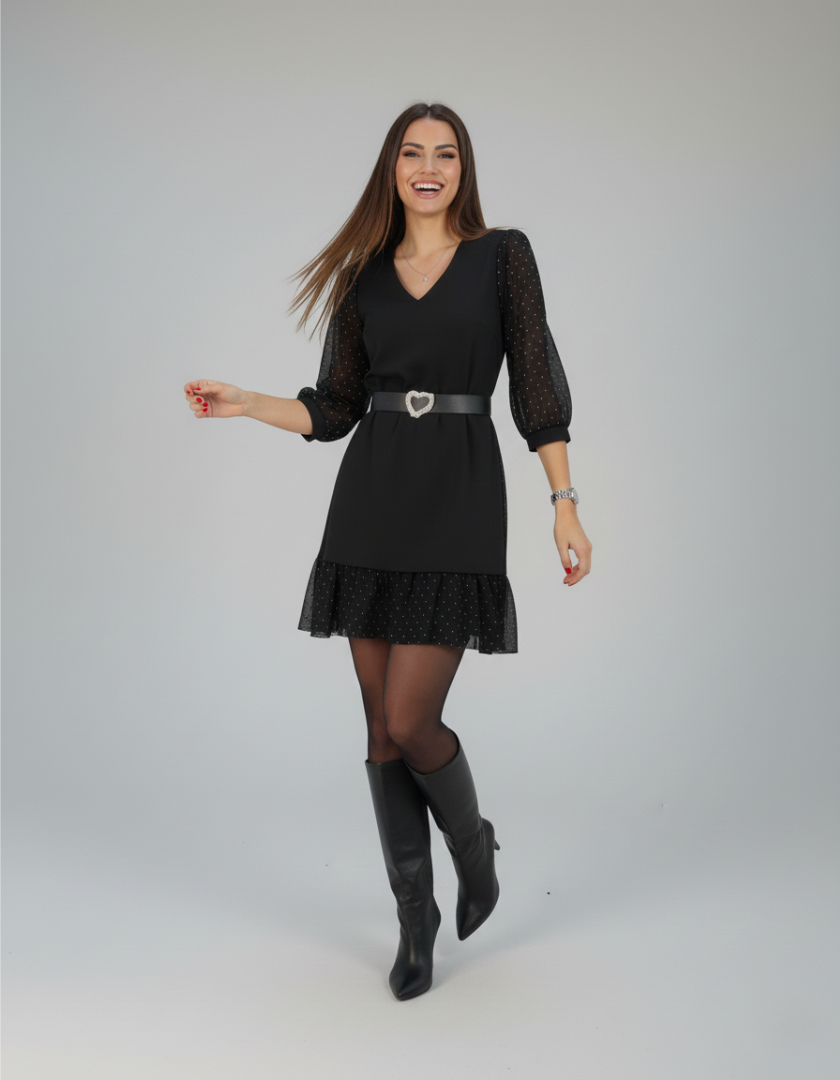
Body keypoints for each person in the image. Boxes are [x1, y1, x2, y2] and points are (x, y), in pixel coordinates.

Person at [183, 102, 592, 1001]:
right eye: (413, 153)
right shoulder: (362, 275)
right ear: (392, 168)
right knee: (377, 728)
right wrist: (247, 402)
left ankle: (474, 848)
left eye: (445, 153)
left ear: (463, 169)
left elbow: (535, 384)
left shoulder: (502, 257)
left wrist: (564, 503)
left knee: (412, 720)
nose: (428, 167)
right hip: (370, 497)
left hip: (460, 493)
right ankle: (416, 918)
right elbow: (334, 409)